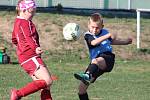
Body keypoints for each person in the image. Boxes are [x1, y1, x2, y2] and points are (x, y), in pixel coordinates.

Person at [74, 13, 132, 100]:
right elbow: (94, 42)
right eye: (92, 27)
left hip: (107, 58)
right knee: (81, 89)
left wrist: (125, 42)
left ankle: (87, 75)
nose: (94, 30)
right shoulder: (88, 35)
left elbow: (111, 41)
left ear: (102, 26)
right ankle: (88, 75)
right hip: (95, 64)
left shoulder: (105, 32)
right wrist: (108, 35)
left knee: (96, 61)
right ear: (88, 25)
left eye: (97, 28)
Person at [11, 0, 53, 100]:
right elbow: (29, 36)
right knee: (48, 81)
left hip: (24, 58)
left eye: (34, 12)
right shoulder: (26, 23)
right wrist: (35, 48)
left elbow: (14, 39)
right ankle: (18, 94)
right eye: (31, 12)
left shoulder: (17, 22)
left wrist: (21, 47)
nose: (33, 15)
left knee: (45, 86)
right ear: (23, 10)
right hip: (31, 56)